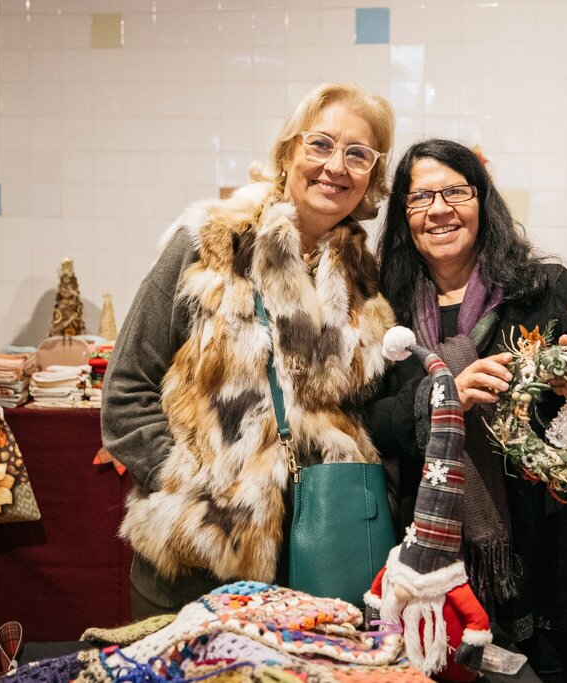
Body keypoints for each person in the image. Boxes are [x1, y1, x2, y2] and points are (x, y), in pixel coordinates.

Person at [102, 82, 396, 619]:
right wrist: (190, 485)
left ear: (372, 178)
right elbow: (126, 388)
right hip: (195, 560)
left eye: (358, 154)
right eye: (321, 144)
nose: (336, 166)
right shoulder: (210, 244)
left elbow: (365, 411)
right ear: (287, 153)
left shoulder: (366, 283)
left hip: (319, 556)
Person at [367, 139, 567, 683]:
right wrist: (442, 397)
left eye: (455, 192)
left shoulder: (547, 290)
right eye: (420, 197)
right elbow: (371, 425)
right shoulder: (383, 311)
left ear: (482, 200)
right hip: (438, 554)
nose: (439, 209)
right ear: (403, 215)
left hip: (551, 546)